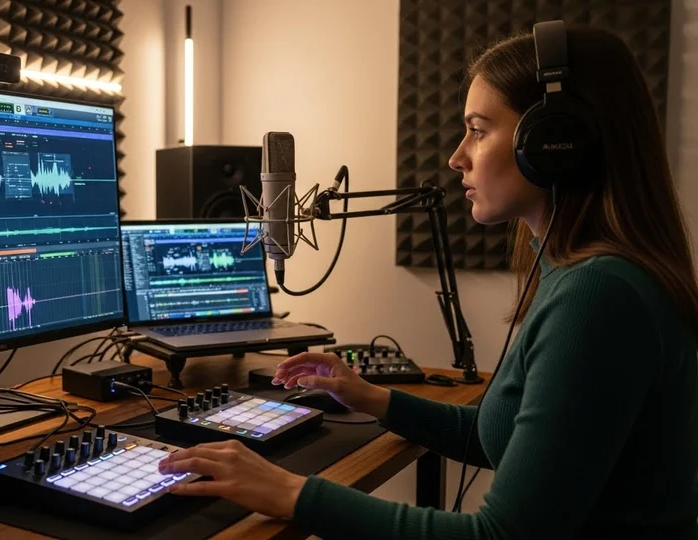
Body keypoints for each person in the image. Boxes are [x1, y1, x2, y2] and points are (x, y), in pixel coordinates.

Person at [157, 22, 698, 540]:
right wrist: (370, 396)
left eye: (478, 131)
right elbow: (495, 437)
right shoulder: (577, 275)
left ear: (556, 142)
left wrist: (290, 491)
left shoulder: (598, 298)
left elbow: (500, 536)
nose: (456, 157)